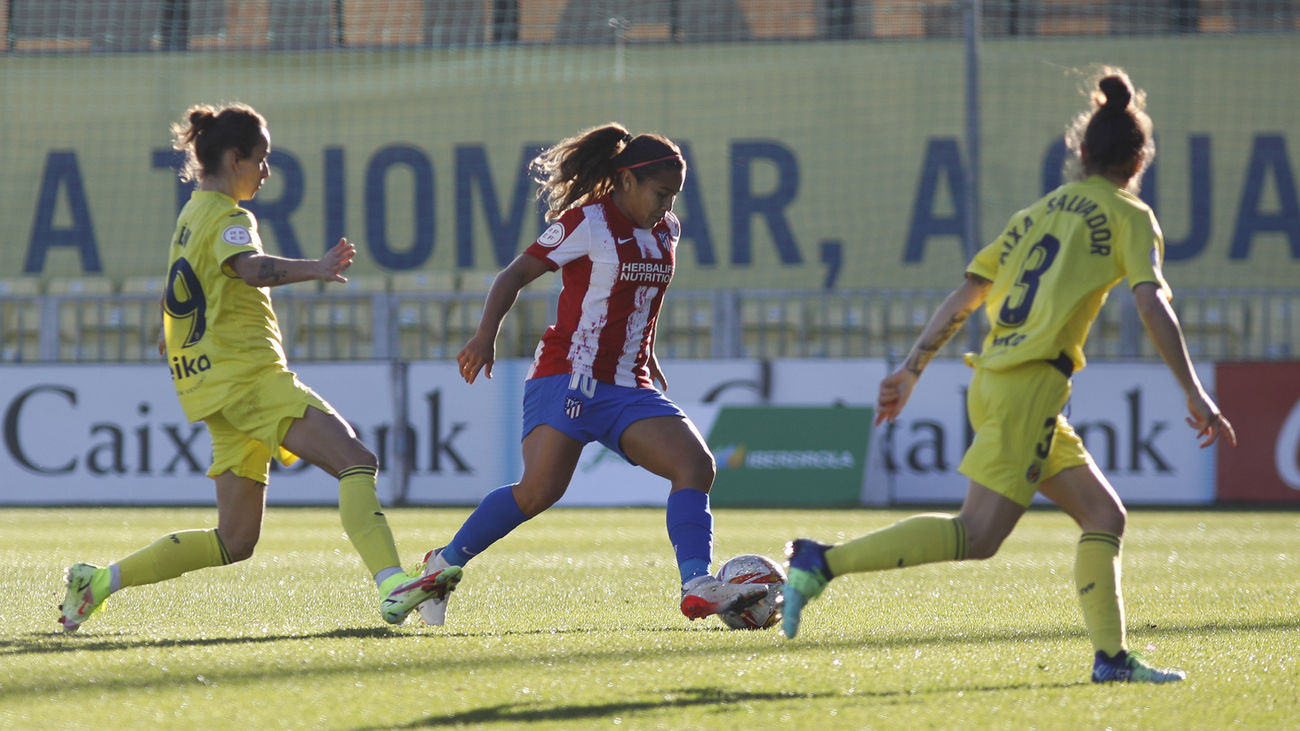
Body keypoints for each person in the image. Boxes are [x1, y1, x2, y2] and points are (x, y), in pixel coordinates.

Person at [781, 70, 1237, 683]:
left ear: (1080, 152)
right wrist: (1193, 389)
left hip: (1004, 381)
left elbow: (967, 295)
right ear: (1139, 159)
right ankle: (821, 562)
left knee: (1104, 516)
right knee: (977, 535)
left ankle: (1112, 660)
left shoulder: (1036, 214)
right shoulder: (1130, 215)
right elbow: (1152, 303)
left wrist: (913, 368)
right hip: (1028, 386)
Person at [58, 103, 458, 632]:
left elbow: (181, 287)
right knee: (356, 460)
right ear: (234, 156)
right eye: (262, 159)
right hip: (249, 379)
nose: (266, 172)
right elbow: (248, 269)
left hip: (214, 388)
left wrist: (172, 332)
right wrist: (314, 268)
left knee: (235, 540)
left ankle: (97, 581)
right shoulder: (228, 216)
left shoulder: (190, 216)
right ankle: (391, 587)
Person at [411, 122, 768, 626]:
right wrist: (484, 336)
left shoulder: (668, 230)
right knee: (538, 492)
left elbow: (645, 296)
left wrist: (646, 348)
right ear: (625, 180)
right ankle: (441, 565)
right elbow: (513, 275)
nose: (667, 207)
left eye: (674, 197)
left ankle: (697, 585)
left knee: (695, 466)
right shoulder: (586, 223)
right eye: (660, 194)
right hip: (567, 375)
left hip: (627, 382)